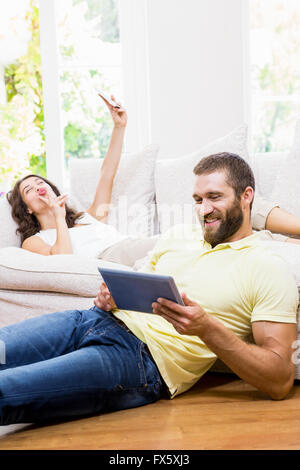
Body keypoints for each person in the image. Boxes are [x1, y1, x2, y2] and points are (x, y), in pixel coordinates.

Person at [0, 151, 298, 425]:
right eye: (197, 199)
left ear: (247, 197)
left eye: (214, 197)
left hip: (141, 359)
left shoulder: (268, 267)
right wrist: (111, 297)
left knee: (7, 390)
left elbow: (280, 381)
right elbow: (141, 283)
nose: (204, 210)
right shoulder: (178, 235)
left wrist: (207, 328)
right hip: (91, 319)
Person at [7, 93, 157, 267]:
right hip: (109, 258)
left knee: (182, 239)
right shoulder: (34, 241)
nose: (37, 187)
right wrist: (58, 217)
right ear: (27, 209)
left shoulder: (89, 217)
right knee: (177, 246)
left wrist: (119, 127)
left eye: (40, 182)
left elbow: (107, 174)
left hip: (128, 247)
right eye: (28, 190)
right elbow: (64, 261)